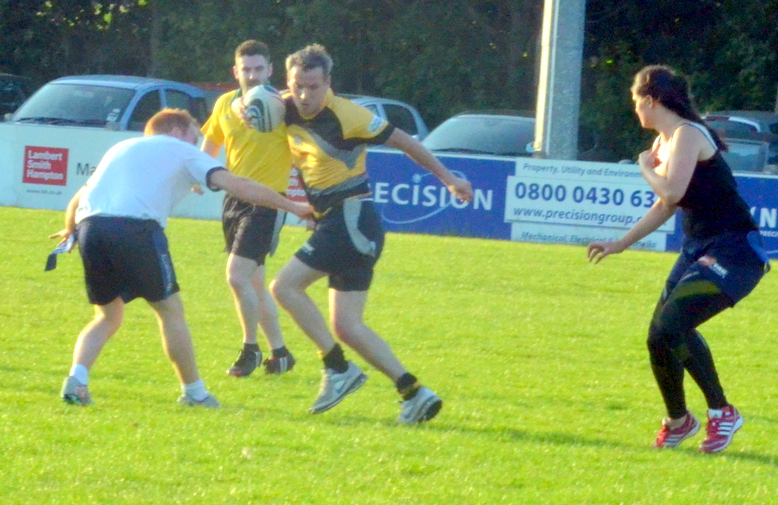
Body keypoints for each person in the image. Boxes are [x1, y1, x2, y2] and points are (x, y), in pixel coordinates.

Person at [54, 109, 315, 408]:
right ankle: (195, 393)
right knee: (171, 312)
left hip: (90, 229)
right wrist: (294, 206)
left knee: (107, 316)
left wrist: (69, 229)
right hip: (135, 229)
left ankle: (77, 380)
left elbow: (80, 195)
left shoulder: (122, 147)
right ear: (177, 132)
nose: (197, 143)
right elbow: (240, 186)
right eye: (194, 136)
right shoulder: (181, 150)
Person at [269, 44, 472, 423]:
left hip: (350, 220)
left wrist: (448, 178)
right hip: (343, 223)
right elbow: (254, 108)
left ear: (328, 83)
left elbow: (405, 142)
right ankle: (414, 392)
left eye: (313, 86)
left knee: (284, 287)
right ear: (289, 81)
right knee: (346, 326)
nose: (305, 95)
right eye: (298, 86)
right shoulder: (283, 107)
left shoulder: (349, 115)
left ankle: (337, 368)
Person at [587, 65, 766, 453]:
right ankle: (679, 421)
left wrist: (644, 168)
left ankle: (723, 412)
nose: (635, 108)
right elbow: (666, 206)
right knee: (658, 337)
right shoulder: (667, 141)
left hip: (735, 250)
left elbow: (670, 193)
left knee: (673, 324)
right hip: (699, 247)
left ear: (651, 101)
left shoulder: (686, 134)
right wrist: (621, 243)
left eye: (636, 101)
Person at [200, 40, 299, 378]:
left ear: (270, 70)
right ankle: (280, 353)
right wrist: (200, 173)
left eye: (259, 69)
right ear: (235, 71)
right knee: (254, 283)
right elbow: (211, 142)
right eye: (246, 69)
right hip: (233, 199)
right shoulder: (225, 103)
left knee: (236, 276)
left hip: (268, 203)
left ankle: (250, 350)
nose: (253, 75)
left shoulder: (283, 105)